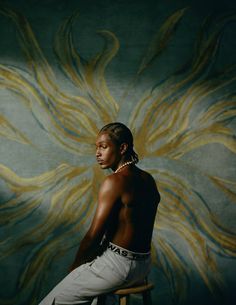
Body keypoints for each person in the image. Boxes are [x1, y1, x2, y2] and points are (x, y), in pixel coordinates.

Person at [39, 122, 160, 305]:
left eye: (103, 147)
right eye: (96, 148)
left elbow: (93, 235)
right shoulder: (147, 179)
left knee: (51, 302)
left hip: (118, 266)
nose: (97, 153)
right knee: (99, 297)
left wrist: (75, 267)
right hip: (143, 266)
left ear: (122, 148)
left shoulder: (114, 181)